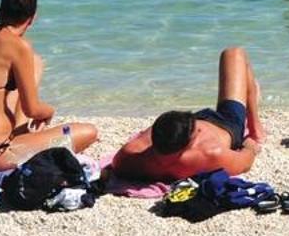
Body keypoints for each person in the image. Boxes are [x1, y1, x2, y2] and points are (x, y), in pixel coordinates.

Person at [0, 0, 97, 172]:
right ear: (32, 18)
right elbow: (32, 109)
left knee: (35, 62)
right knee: (88, 132)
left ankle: (22, 135)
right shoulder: (18, 46)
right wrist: (49, 111)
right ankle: (23, 140)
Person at [110, 47, 265, 181]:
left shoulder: (132, 156)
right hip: (226, 123)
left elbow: (116, 163)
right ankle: (256, 127)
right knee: (234, 53)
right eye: (196, 132)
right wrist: (250, 145)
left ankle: (252, 91)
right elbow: (245, 162)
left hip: (184, 124)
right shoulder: (210, 154)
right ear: (189, 144)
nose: (199, 130)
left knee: (245, 83)